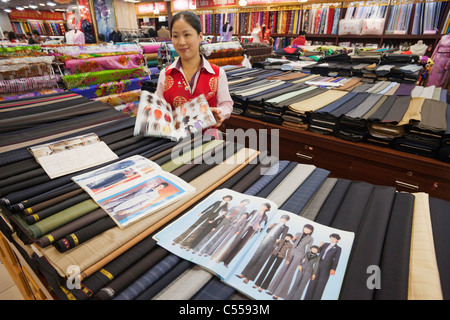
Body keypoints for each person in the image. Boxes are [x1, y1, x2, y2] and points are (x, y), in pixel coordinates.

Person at [155, 11, 233, 139]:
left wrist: (220, 113)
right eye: (175, 36)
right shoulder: (166, 74)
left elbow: (226, 104)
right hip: (174, 144)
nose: (181, 42)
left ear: (200, 36)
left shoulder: (217, 73)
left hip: (208, 143)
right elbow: (158, 108)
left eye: (187, 35)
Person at [304, 233, 342, 300]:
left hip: (327, 267)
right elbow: (317, 251)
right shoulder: (325, 244)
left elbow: (336, 259)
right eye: (331, 238)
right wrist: (319, 245)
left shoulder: (338, 248)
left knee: (321, 284)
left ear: (337, 240)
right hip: (318, 264)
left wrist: (333, 269)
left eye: (334, 239)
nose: (332, 239)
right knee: (312, 281)